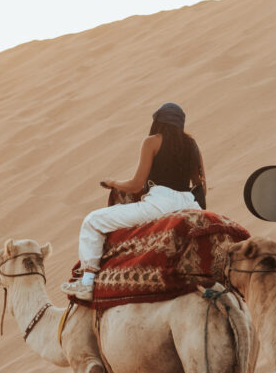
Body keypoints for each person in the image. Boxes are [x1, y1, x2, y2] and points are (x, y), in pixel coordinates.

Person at [61, 103, 206, 301]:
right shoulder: (192, 145)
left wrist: (113, 182)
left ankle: (86, 282)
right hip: (190, 205)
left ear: (158, 122)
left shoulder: (152, 142)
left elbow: (136, 185)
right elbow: (201, 185)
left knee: (92, 221)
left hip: (159, 204)